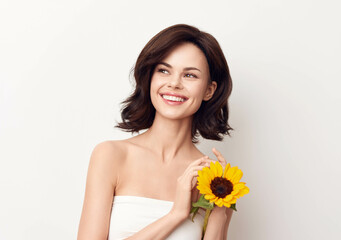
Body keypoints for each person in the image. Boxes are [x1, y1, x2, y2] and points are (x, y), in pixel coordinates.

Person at [77, 23, 234, 240]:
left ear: (209, 90)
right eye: (163, 70)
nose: (174, 83)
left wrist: (219, 212)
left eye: (190, 75)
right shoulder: (111, 156)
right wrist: (176, 215)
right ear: (150, 78)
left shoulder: (212, 178)